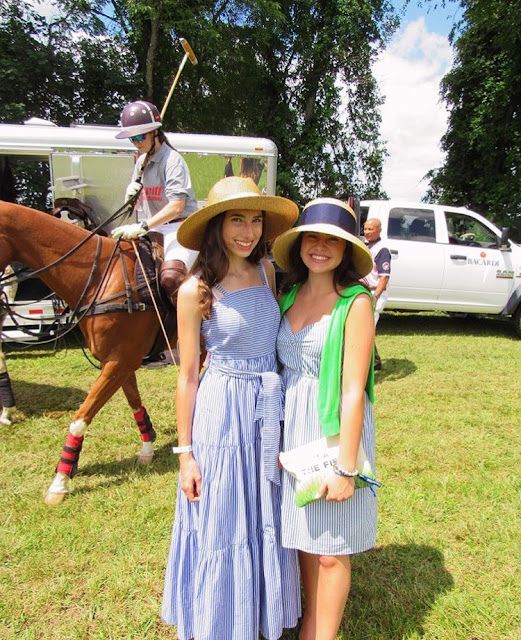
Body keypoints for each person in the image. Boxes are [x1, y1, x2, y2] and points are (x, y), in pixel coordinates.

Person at [161, 176, 301, 639]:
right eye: (237, 220)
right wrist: (185, 455)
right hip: (222, 413)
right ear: (217, 226)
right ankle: (219, 620)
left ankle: (257, 612)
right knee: (224, 516)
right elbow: (187, 376)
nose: (248, 231)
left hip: (266, 407)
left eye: (256, 220)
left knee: (262, 508)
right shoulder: (195, 288)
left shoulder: (267, 272)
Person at [273, 198, 378, 640]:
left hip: (333, 431)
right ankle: (310, 624)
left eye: (332, 240)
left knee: (332, 548)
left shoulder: (355, 303)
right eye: (311, 237)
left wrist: (345, 468)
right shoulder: (288, 295)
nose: (320, 247)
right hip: (293, 428)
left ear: (346, 249)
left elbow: (353, 389)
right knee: (304, 536)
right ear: (299, 245)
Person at [111, 100, 199, 308]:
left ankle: (192, 325)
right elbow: (138, 205)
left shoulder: (172, 160)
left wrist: (143, 225)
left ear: (155, 133)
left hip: (180, 228)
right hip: (155, 229)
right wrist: (131, 198)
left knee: (171, 278)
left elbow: (177, 206)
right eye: (132, 138)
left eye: (140, 137)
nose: (136, 143)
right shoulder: (141, 163)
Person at [362, 217, 391, 371]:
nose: (367, 232)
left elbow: (384, 277)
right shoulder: (366, 246)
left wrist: (376, 297)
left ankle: (368, 364)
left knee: (367, 328)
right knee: (364, 328)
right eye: (365, 229)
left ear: (379, 230)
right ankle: (375, 361)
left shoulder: (382, 249)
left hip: (374, 292)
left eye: (370, 229)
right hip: (364, 291)